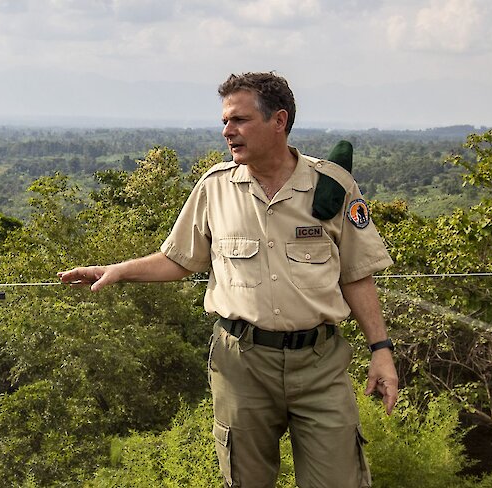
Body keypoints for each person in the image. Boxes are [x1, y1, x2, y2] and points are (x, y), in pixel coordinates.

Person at [57, 72, 397, 488]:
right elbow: (178, 260)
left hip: (320, 365)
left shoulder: (331, 187)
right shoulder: (214, 188)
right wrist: (119, 271)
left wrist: (381, 350)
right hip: (242, 365)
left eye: (239, 120)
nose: (227, 131)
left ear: (279, 121)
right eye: (224, 122)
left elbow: (357, 275)